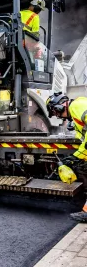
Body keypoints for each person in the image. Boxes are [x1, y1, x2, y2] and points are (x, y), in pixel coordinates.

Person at [46, 92, 87, 221]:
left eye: (56, 113)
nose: (58, 116)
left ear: (58, 107)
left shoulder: (76, 106)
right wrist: (76, 158)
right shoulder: (77, 112)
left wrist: (75, 157)